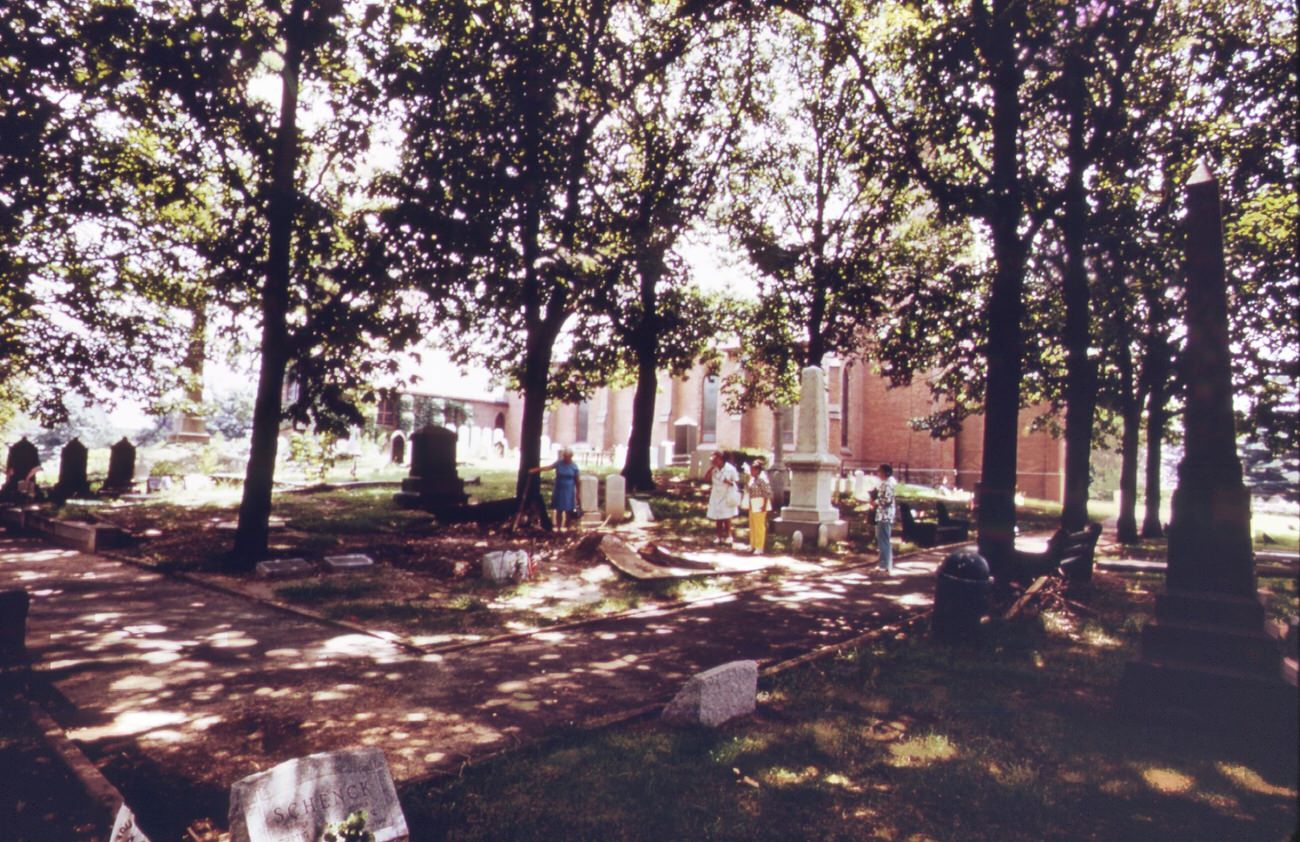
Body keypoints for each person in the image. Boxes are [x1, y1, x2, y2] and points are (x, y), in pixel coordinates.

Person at [530, 448, 580, 531]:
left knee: (568, 510)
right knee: (559, 510)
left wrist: (578, 492)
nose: (565, 458)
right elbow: (548, 467)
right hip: (559, 489)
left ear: (571, 457)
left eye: (567, 457)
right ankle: (559, 528)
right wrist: (537, 469)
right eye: (564, 456)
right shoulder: (559, 463)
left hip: (569, 490)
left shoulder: (574, 467)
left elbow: (577, 481)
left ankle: (567, 528)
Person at [703, 450, 740, 546]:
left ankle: (729, 536)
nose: (714, 461)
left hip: (727, 494)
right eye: (713, 460)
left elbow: (737, 482)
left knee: (727, 516)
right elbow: (705, 479)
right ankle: (719, 537)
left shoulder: (730, 469)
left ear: (721, 459)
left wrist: (729, 482)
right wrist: (710, 469)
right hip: (716, 495)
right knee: (718, 516)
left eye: (715, 459)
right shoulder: (714, 469)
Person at [870, 463, 897, 573]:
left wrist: (875, 502)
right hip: (885, 515)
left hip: (884, 515)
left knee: (883, 540)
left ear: (886, 473)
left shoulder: (887, 484)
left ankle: (883, 565)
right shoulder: (888, 483)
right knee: (884, 539)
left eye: (880, 471)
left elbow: (887, 500)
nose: (878, 473)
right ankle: (887, 563)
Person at [745, 459, 772, 554]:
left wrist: (764, 505)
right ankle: (752, 544)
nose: (751, 471)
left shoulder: (762, 479)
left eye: (752, 470)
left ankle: (759, 547)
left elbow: (767, 493)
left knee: (759, 526)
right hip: (753, 503)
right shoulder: (753, 479)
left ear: (757, 470)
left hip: (760, 503)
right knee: (752, 525)